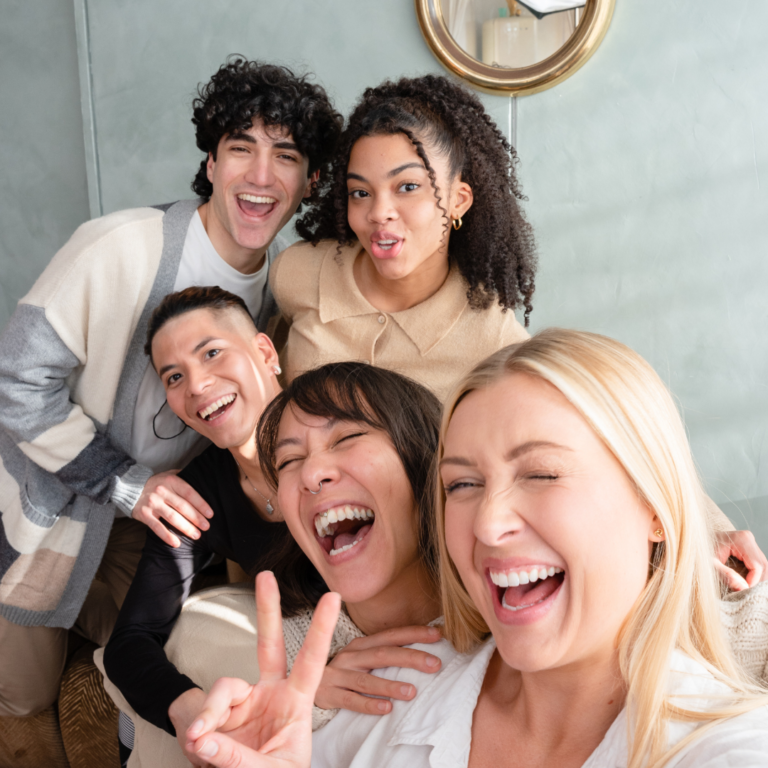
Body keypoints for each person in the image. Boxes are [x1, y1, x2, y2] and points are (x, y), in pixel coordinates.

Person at [185, 330, 768, 768]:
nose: (488, 524)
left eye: (541, 474)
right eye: (463, 484)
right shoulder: (372, 700)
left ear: (655, 506)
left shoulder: (728, 743)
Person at [0, 56, 342, 720]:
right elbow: (15, 378)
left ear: (311, 181)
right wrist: (124, 481)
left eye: (287, 156)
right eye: (240, 149)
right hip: (49, 505)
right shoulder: (117, 247)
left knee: (177, 653)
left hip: (150, 523)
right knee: (27, 697)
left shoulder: (283, 289)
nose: (261, 175)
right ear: (212, 165)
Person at [103, 351, 447, 765]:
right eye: (289, 461)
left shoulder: (510, 620)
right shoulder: (245, 665)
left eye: (346, 438)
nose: (310, 472)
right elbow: (129, 646)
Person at [269, 74, 536, 403]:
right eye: (361, 192)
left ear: (459, 201)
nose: (379, 213)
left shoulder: (496, 341)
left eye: (408, 187)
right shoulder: (297, 272)